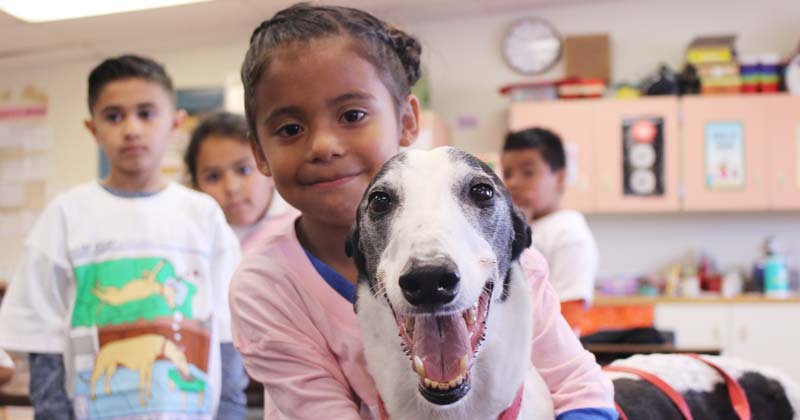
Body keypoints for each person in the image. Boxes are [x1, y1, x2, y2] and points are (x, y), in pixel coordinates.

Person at [229, 4, 616, 419]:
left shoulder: (499, 256)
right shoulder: (265, 285)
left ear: (407, 120)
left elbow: (577, 383)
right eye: (290, 129)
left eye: (352, 115)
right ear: (260, 153)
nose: (323, 145)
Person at [0, 55, 246, 420]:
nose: (131, 129)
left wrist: (229, 413)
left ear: (175, 123)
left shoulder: (203, 215)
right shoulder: (65, 216)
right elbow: (43, 337)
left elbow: (229, 331)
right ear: (92, 128)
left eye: (146, 114)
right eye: (114, 116)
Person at [501, 127, 600, 334]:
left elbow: (569, 318)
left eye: (528, 172)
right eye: (507, 173)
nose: (513, 183)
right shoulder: (516, 227)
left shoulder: (568, 232)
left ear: (560, 179)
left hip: (543, 360)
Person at [184, 111, 295, 252]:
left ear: (269, 167)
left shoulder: (303, 225)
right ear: (196, 186)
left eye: (244, 170)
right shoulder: (191, 238)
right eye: (213, 177)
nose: (231, 187)